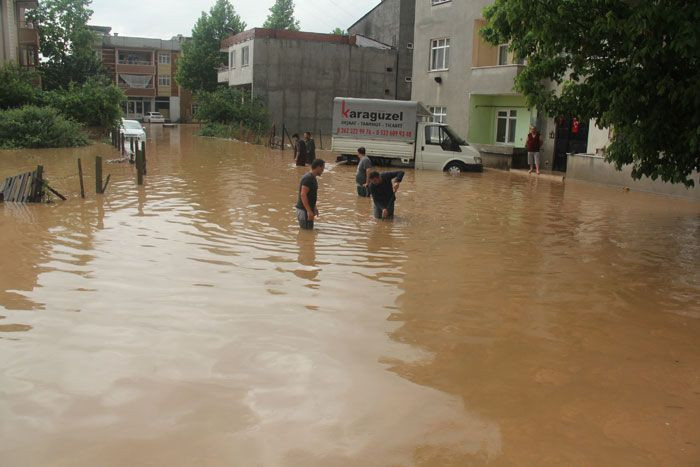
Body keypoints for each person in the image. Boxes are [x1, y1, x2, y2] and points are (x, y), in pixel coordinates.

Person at [295, 159, 325, 230]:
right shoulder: (308, 179)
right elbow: (303, 195)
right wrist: (309, 211)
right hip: (304, 211)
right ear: (318, 167)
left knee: (308, 233)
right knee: (306, 234)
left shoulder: (312, 178)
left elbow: (310, 195)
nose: (323, 170)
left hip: (307, 211)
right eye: (322, 168)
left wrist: (314, 207)